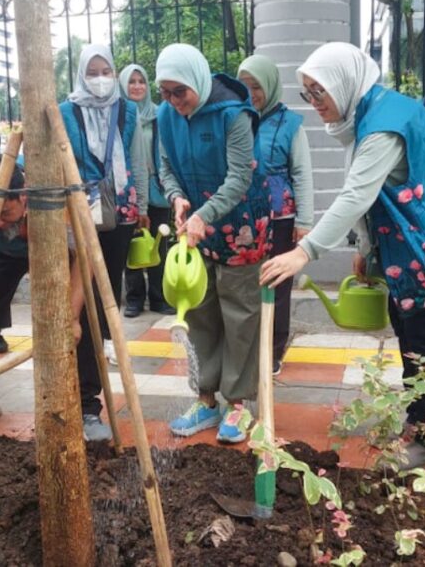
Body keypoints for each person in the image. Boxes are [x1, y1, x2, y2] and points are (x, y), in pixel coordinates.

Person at [260, 42, 425, 470]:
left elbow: (356, 194)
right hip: (418, 239)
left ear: (343, 82)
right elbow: (368, 189)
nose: (315, 103)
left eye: (320, 92)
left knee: (424, 335)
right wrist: (366, 249)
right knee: (405, 322)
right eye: (308, 93)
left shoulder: (384, 125)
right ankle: (419, 421)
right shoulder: (369, 112)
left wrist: (305, 252)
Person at [0, 155, 108, 440]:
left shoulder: (60, 196)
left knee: (88, 313)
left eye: (5, 213)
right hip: (1, 253)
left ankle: (87, 408)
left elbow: (85, 258)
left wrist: (72, 315)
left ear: (24, 193)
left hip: (54, 245)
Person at [155, 43, 270, 444]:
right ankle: (205, 399)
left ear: (197, 82)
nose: (173, 101)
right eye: (165, 93)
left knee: (239, 315)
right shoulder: (166, 116)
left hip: (239, 223)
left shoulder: (233, 114)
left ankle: (237, 404)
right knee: (200, 308)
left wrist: (204, 214)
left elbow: (240, 177)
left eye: (179, 92)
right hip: (195, 228)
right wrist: (176, 198)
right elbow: (165, 166)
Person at [61, 45, 149, 369]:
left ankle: (109, 338)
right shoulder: (66, 112)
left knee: (112, 273)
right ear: (81, 75)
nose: (100, 79)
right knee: (84, 275)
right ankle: (84, 333)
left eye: (106, 72)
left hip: (121, 205)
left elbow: (137, 158)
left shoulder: (127, 110)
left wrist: (140, 203)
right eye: (92, 73)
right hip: (81, 206)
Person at [237, 54, 314, 375]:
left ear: (270, 85)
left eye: (257, 86)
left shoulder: (290, 124)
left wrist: (305, 222)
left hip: (281, 220)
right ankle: (249, 347)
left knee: (277, 287)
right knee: (244, 287)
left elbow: (303, 173)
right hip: (243, 221)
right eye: (245, 86)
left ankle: (274, 350)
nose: (252, 93)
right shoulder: (237, 118)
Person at [118, 64, 176, 323]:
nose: (137, 86)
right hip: (130, 189)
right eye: (131, 81)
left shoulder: (158, 115)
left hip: (158, 188)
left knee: (158, 245)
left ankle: (159, 297)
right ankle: (133, 299)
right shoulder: (119, 116)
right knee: (131, 245)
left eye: (141, 81)